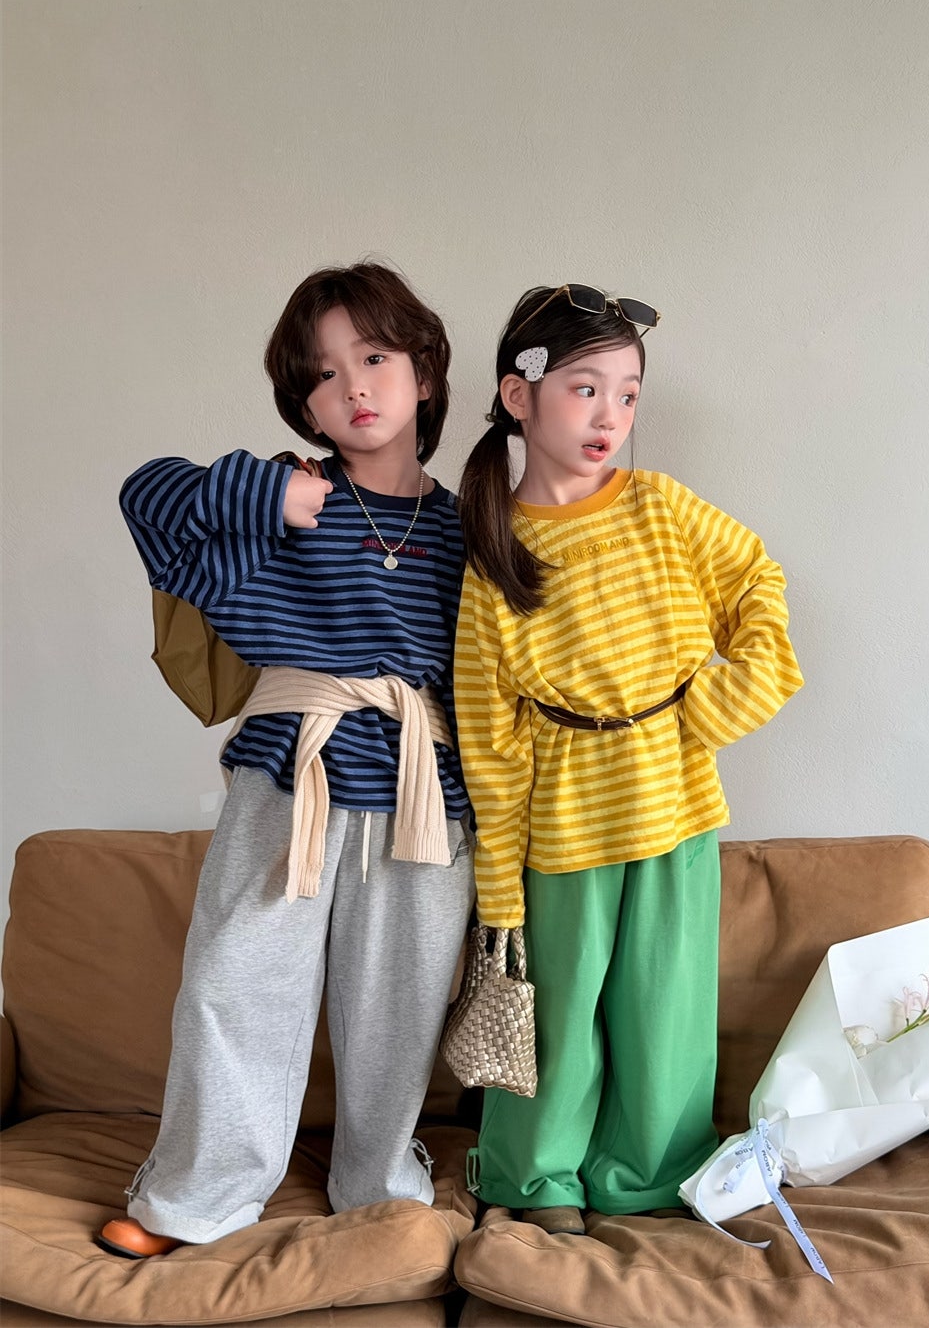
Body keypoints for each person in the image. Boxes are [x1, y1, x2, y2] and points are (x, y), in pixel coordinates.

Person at [98, 262, 475, 1258]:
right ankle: (197, 1196)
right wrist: (267, 490)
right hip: (287, 776)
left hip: (423, 792)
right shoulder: (280, 506)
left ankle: (377, 1183)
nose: (353, 387)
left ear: (425, 372)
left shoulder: (467, 529)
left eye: (375, 357)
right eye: (322, 374)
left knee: (400, 1003)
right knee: (233, 984)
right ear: (302, 405)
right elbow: (145, 496)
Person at [453, 282, 804, 1235]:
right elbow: (489, 739)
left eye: (629, 394)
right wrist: (499, 886)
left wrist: (726, 699)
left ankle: (650, 1174)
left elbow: (758, 579)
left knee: (666, 1010)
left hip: (677, 806)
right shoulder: (494, 552)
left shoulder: (663, 508)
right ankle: (535, 1180)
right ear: (519, 395)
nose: (611, 416)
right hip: (562, 827)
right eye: (586, 389)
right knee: (559, 1017)